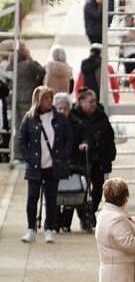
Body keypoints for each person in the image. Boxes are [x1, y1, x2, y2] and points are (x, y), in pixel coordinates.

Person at [18, 85, 72, 244]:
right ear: (38, 100)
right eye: (46, 98)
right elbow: (22, 140)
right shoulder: (30, 118)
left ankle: (49, 229)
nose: (50, 101)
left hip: (52, 164)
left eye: (50, 97)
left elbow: (68, 138)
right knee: (32, 197)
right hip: (35, 165)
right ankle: (30, 229)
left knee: (51, 198)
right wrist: (28, 157)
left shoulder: (59, 118)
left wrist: (62, 156)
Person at [69, 88, 116, 224]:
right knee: (81, 189)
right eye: (90, 102)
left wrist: (110, 155)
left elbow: (109, 136)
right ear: (81, 102)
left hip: (98, 159)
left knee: (98, 189)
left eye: (95, 101)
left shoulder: (101, 116)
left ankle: (91, 211)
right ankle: (85, 215)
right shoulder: (74, 117)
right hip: (79, 160)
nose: (94, 104)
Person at [14, 43, 45, 158]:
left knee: (17, 126)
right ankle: (24, 153)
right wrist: (33, 60)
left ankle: (16, 153)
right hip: (27, 99)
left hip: (15, 99)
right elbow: (42, 71)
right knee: (27, 126)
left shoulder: (14, 65)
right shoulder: (29, 64)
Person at [53, 92, 76, 232]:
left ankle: (66, 222)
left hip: (72, 162)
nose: (62, 111)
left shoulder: (76, 123)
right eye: (59, 108)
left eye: (65, 108)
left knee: (72, 193)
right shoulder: (51, 123)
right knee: (53, 193)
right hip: (55, 162)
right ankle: (55, 220)